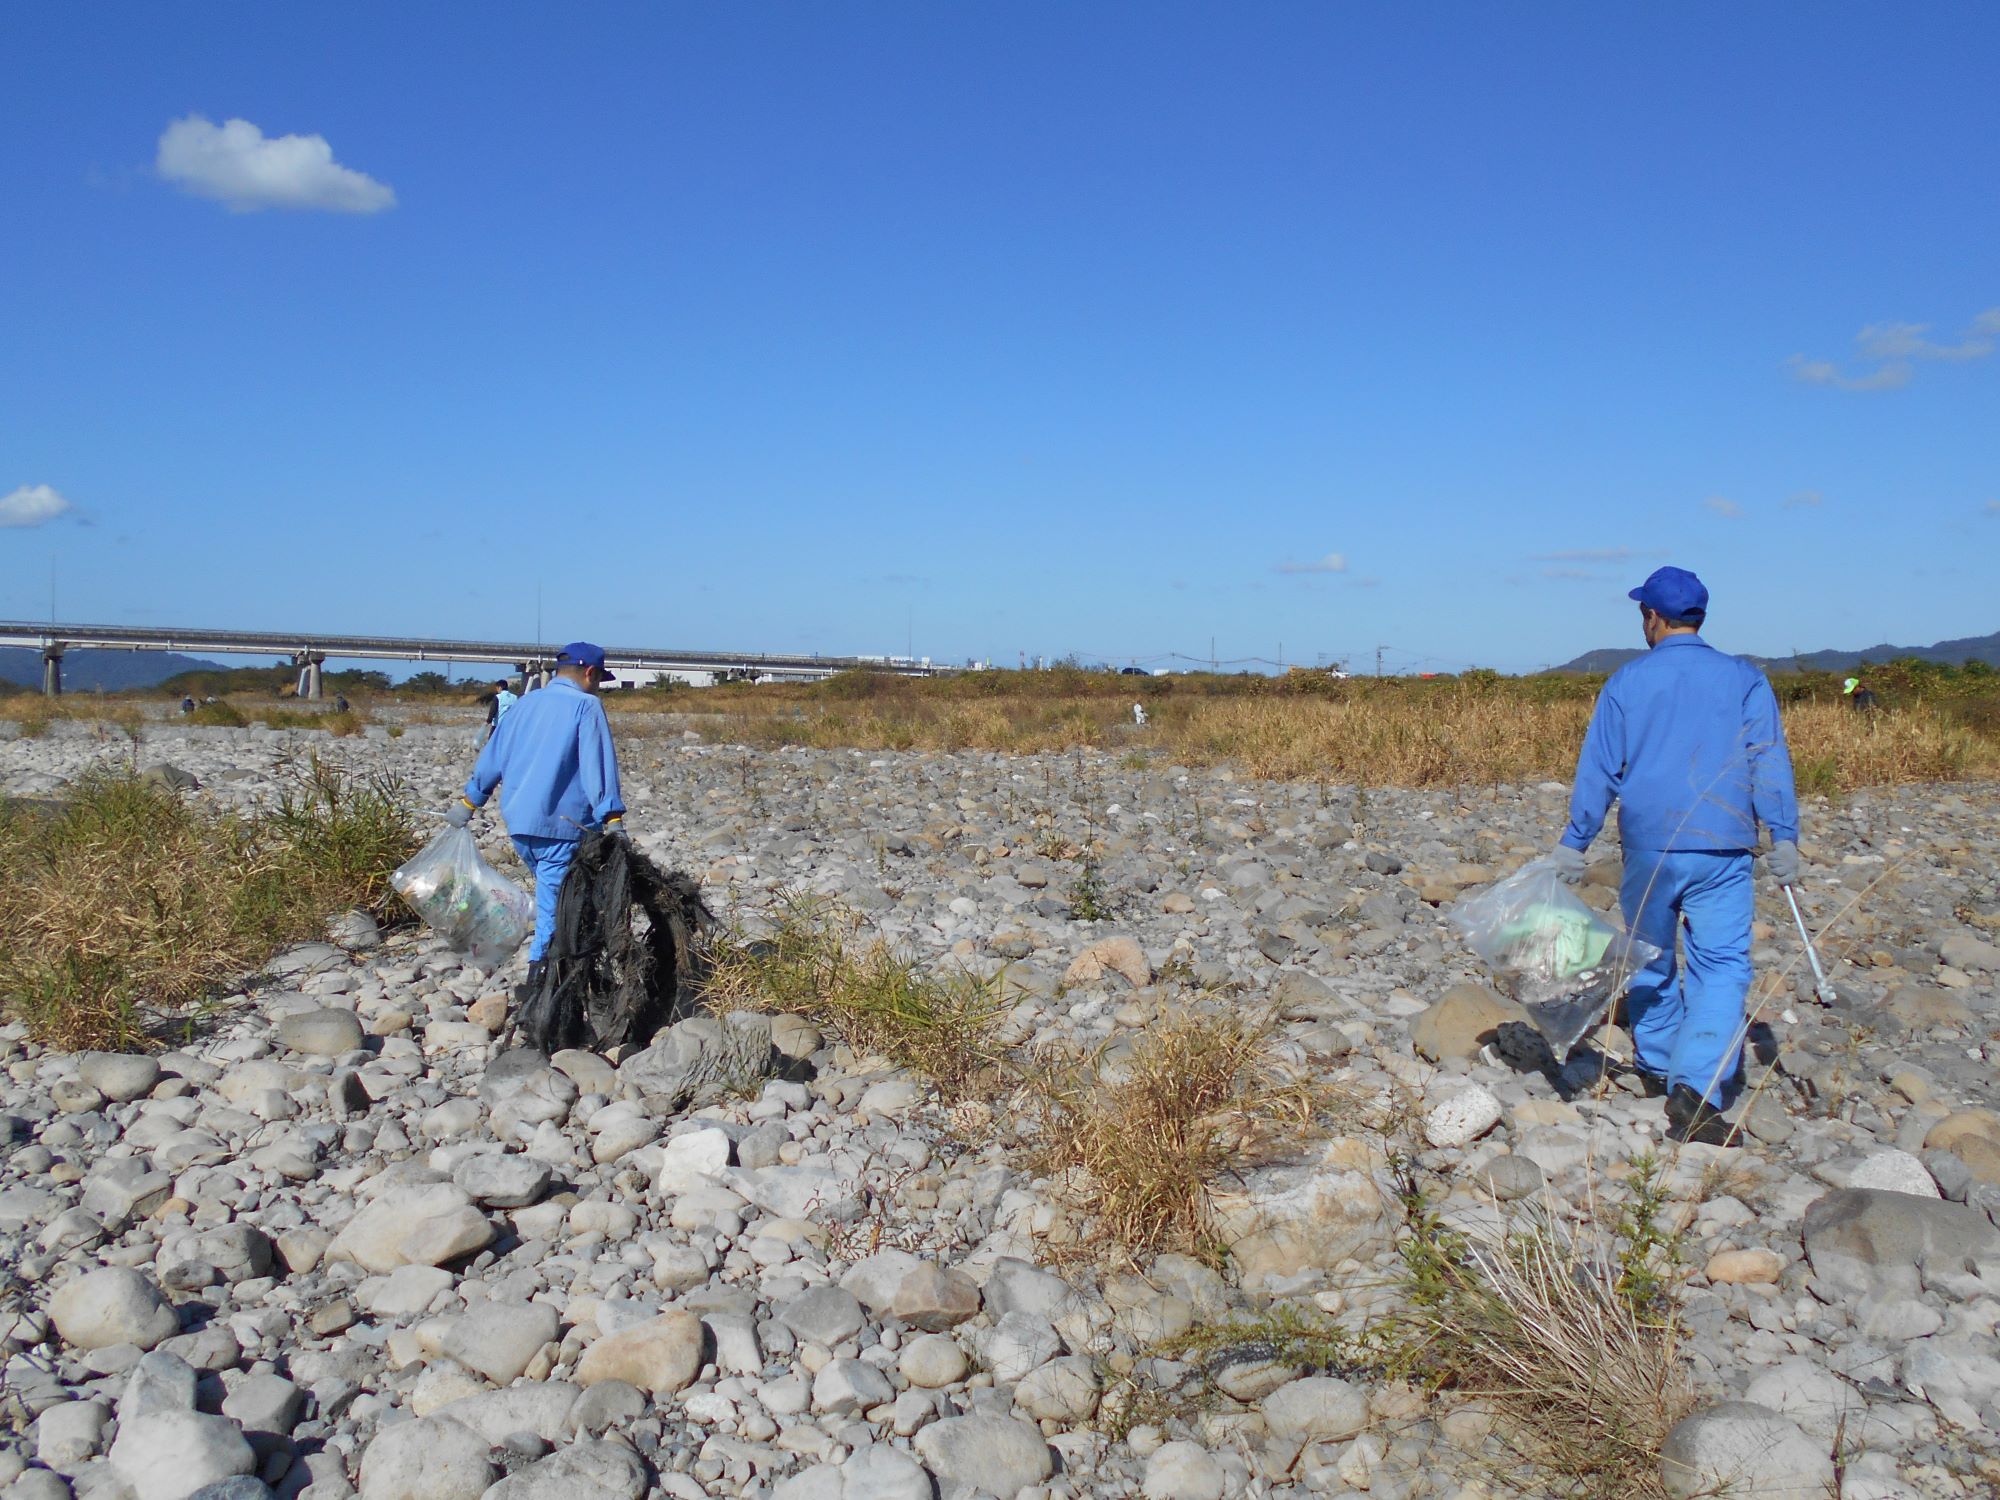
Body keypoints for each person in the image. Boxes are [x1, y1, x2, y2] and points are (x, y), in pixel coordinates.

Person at [1552, 566, 1799, 1146]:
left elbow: (1600, 769)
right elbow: (1769, 758)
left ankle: (1659, 1066)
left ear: (1652, 617)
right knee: (1721, 968)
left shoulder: (1627, 683)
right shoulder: (1744, 680)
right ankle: (1699, 1086)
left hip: (1649, 845)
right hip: (1725, 845)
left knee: (1651, 956)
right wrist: (1783, 834)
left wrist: (1575, 842)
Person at [447, 643, 625, 982]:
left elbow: (492, 757)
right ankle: (541, 985)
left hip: (520, 825)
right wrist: (612, 819)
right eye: (600, 678)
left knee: (561, 900)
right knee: (555, 912)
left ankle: (571, 974)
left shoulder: (524, 703)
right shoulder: (587, 706)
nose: (599, 685)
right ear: (590, 673)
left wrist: (469, 803)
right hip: (562, 829)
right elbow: (597, 767)